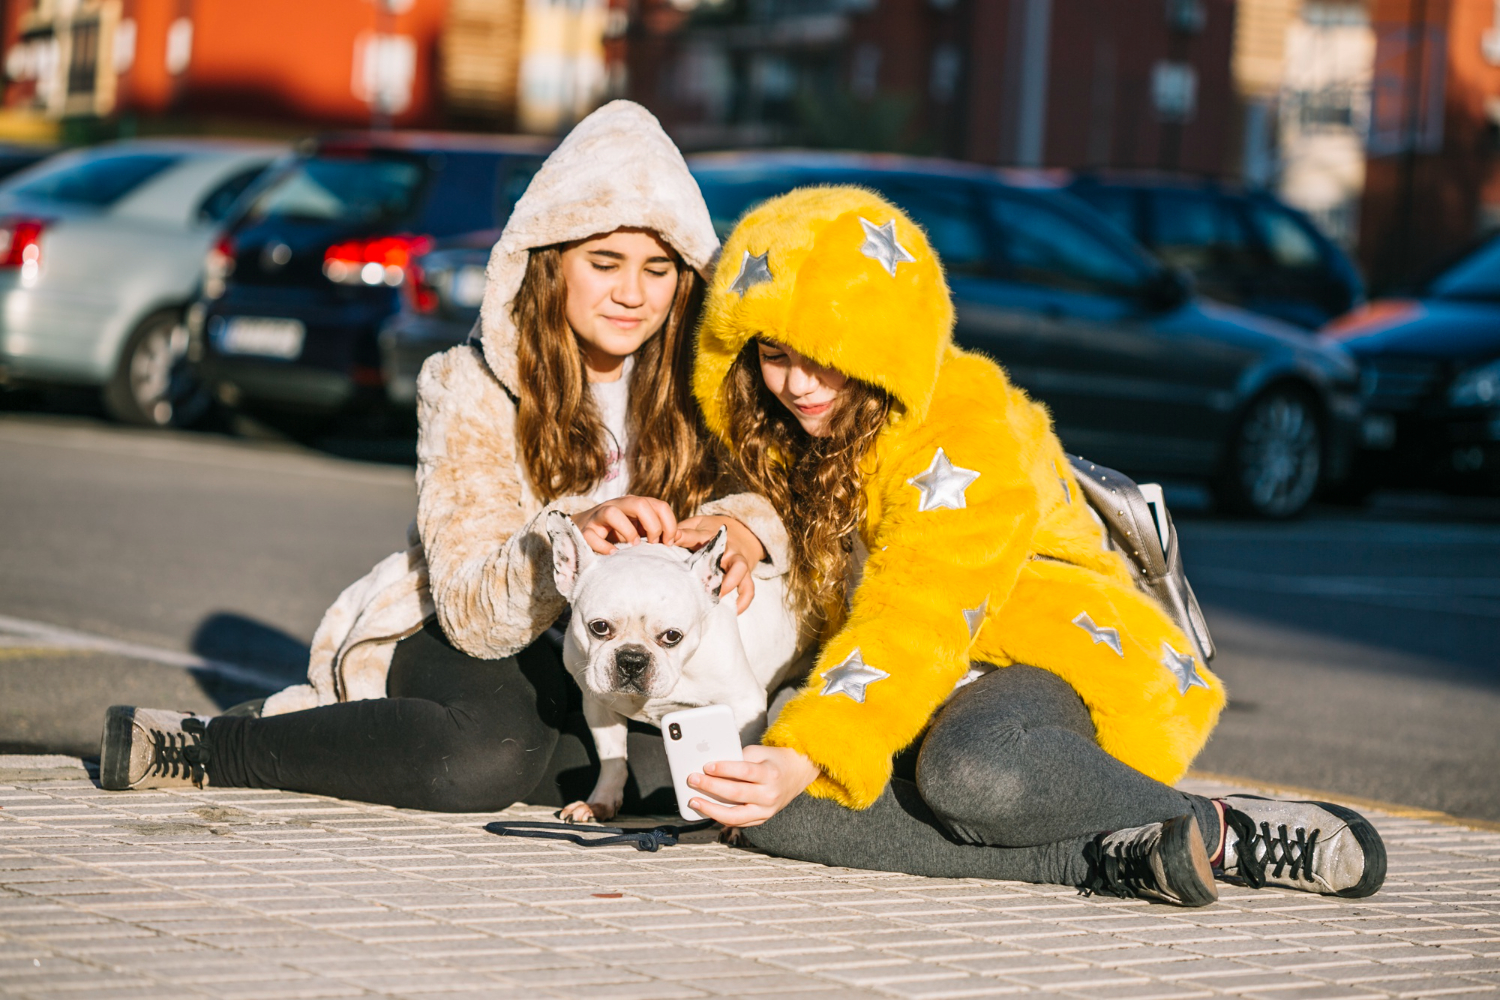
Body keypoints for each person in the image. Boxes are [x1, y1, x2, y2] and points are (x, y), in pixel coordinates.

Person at [677, 185, 1386, 905]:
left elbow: (922, 606)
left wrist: (809, 748)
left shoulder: (966, 423)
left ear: (880, 335)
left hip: (1053, 650)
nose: (798, 385)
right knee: (767, 808)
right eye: (772, 354)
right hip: (911, 680)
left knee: (968, 771)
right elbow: (800, 530)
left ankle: (1222, 830)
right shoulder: (791, 434)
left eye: (824, 354)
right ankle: (1107, 856)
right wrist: (744, 522)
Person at [97, 101, 790, 814]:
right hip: (464, 626)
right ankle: (219, 747)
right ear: (551, 262)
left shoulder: (704, 385)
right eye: (605, 262)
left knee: (637, 773)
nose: (632, 294)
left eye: (658, 269)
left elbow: (771, 498)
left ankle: (347, 737)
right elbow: (469, 608)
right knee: (492, 753)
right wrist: (572, 535)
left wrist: (740, 529)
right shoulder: (468, 385)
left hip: (609, 656)